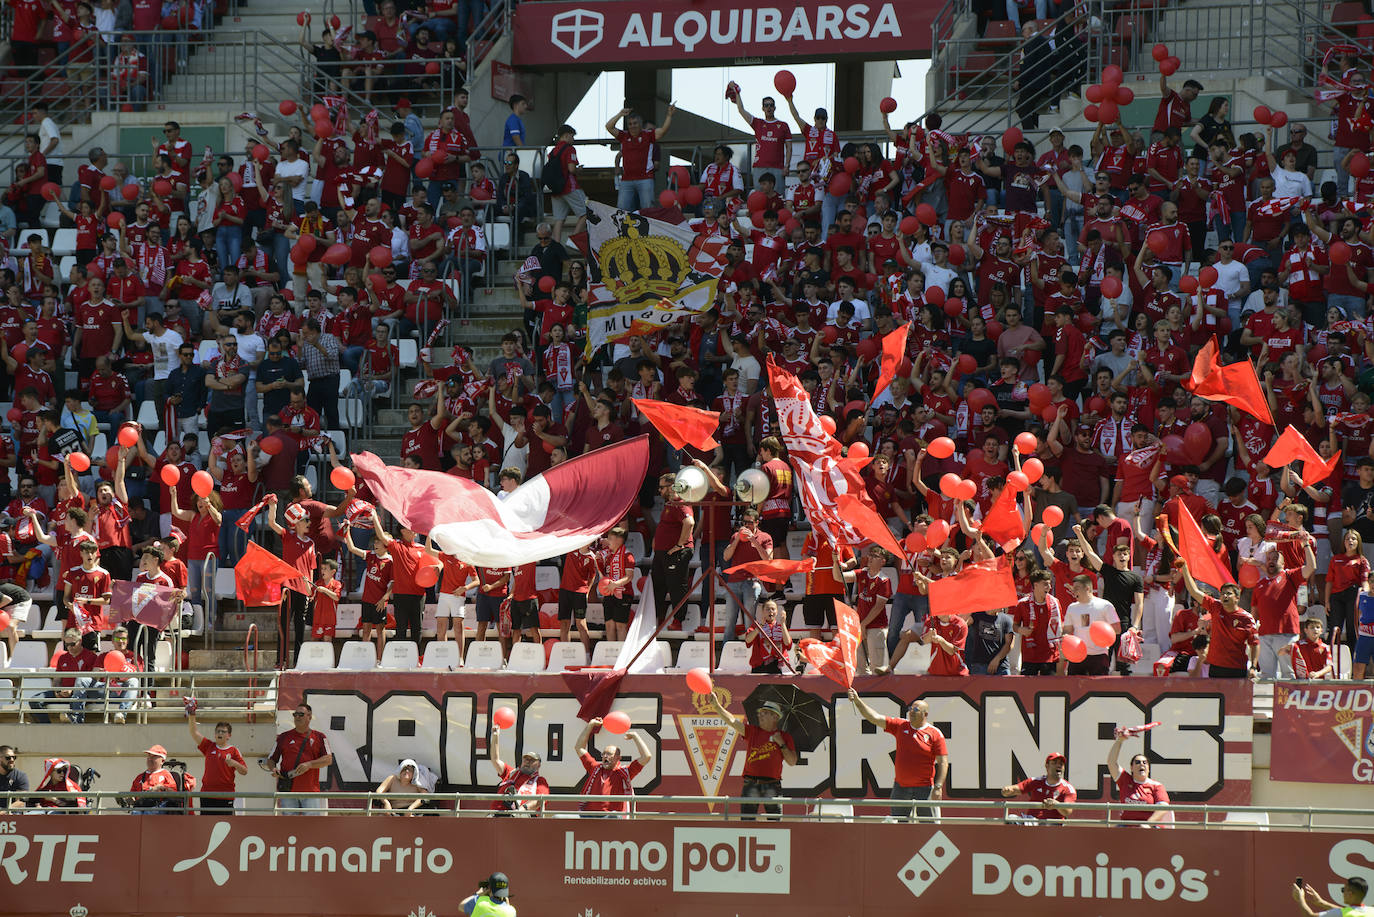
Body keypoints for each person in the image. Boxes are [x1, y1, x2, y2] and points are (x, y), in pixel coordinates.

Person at [847, 690, 947, 821]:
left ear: (925, 714)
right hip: (901, 787)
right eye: (910, 708)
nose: (911, 711)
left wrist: (938, 786)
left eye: (915, 709)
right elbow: (874, 718)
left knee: (929, 826)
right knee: (898, 827)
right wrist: (858, 701)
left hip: (925, 789)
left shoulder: (935, 733)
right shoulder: (901, 725)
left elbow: (943, 763)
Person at [707, 695, 797, 819]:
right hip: (751, 783)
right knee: (747, 822)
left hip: (772, 785)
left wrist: (781, 743)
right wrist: (717, 706)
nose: (760, 715)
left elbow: (792, 761)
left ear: (775, 717)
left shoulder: (784, 737)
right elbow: (732, 721)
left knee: (775, 824)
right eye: (760, 713)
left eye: (764, 713)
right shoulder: (752, 731)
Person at [573, 716, 653, 816]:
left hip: (612, 816)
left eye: (609, 754)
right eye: (604, 754)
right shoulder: (595, 768)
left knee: (613, 818)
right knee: (558, 816)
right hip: (589, 815)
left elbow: (646, 756)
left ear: (618, 757)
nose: (605, 756)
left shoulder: (624, 772)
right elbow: (579, 748)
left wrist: (635, 736)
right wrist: (591, 725)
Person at [267, 703, 333, 813]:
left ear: (309, 717)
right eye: (295, 714)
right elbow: (271, 759)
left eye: (301, 714)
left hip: (310, 791)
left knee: (311, 826)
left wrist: (309, 764)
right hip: (288, 791)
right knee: (289, 826)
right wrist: (273, 769)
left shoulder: (319, 737)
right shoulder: (283, 737)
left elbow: (328, 759)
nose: (297, 717)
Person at [187, 703, 247, 813]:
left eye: (223, 732)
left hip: (225, 796)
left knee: (224, 826)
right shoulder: (209, 746)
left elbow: (244, 771)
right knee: (207, 827)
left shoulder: (233, 750)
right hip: (207, 795)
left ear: (229, 735)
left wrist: (234, 763)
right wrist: (192, 714)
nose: (220, 733)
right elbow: (193, 732)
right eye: (217, 731)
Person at [1106, 730, 1170, 824]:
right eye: (1137, 762)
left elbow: (1163, 807)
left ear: (1148, 768)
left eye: (1145, 763)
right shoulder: (1125, 780)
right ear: (1131, 767)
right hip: (1126, 826)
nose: (1141, 764)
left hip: (1150, 828)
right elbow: (1111, 762)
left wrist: (1147, 824)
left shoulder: (1157, 786)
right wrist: (1119, 740)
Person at [1000, 751, 1076, 821]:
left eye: (1061, 764)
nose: (1058, 766)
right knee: (1010, 819)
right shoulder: (1036, 781)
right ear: (1047, 766)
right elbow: (1016, 789)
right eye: (1054, 763)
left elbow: (1068, 811)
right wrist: (1007, 790)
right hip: (1031, 821)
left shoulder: (1068, 788)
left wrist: (1056, 804)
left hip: (1053, 824)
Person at [489, 726, 549, 815]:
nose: (527, 762)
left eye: (532, 760)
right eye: (526, 759)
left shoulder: (540, 781)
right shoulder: (511, 772)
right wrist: (495, 736)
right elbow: (495, 760)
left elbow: (540, 800)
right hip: (495, 815)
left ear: (539, 765)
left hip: (520, 820)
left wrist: (521, 810)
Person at [127, 744, 182, 812]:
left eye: (154, 756)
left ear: (162, 761)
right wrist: (130, 799)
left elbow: (174, 794)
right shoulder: (140, 777)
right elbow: (132, 794)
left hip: (158, 810)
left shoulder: (166, 775)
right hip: (140, 809)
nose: (150, 758)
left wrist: (160, 789)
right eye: (149, 756)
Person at [1293, 876, 1371, 917]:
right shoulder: (1371, 911)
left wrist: (1300, 898)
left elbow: (1310, 916)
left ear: (1350, 893)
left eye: (1343, 889)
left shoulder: (1342, 914)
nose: (1343, 893)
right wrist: (1321, 902)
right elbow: (1349, 911)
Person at [0, 745, 28, 811]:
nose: (12, 760)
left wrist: (2, 812)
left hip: (13, 814)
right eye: (8, 758)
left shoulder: (20, 776)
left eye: (14, 757)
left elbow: (20, 802)